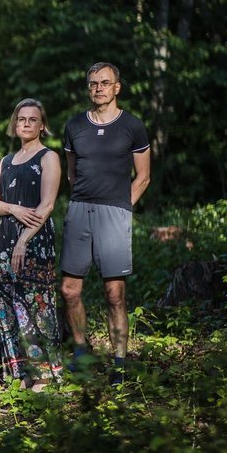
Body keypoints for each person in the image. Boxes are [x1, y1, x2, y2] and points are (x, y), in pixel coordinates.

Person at [60, 62, 151, 385]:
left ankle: (119, 362)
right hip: (80, 209)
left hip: (115, 212)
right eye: (93, 83)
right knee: (69, 290)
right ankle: (82, 352)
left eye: (105, 82)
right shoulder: (74, 126)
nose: (98, 88)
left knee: (114, 293)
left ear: (117, 87)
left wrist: (122, 207)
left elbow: (143, 177)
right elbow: (72, 173)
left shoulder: (132, 126)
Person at [0, 99, 63, 391]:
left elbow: (47, 205)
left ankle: (45, 374)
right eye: (21, 119)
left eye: (32, 119)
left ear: (42, 125)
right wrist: (14, 210)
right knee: (8, 307)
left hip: (34, 241)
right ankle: (20, 371)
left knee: (36, 308)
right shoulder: (6, 160)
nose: (26, 124)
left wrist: (23, 241)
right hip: (4, 240)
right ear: (14, 124)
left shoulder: (48, 157)